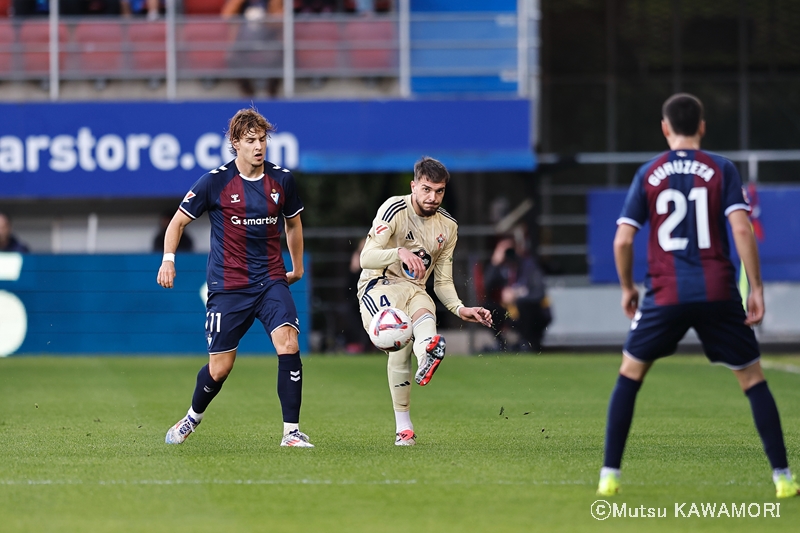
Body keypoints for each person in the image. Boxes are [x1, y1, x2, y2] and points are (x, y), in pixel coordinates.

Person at [597, 93, 799, 498]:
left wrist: (627, 288)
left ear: (665, 128)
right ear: (702, 127)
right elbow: (741, 229)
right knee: (753, 379)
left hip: (664, 293)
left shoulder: (649, 172)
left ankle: (609, 476)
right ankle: (783, 477)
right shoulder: (722, 168)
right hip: (717, 291)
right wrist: (756, 288)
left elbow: (623, 240)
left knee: (630, 375)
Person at [157, 107, 313, 448]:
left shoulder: (282, 180)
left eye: (263, 140)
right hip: (228, 286)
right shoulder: (215, 182)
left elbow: (293, 224)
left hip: (271, 279)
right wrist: (168, 260)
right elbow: (178, 222)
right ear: (235, 143)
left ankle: (291, 432)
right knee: (220, 368)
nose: (259, 146)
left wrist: (298, 267)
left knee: (289, 344)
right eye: (251, 140)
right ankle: (192, 417)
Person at [357, 156, 493, 446]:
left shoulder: (448, 226)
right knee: (398, 333)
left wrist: (460, 308)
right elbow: (365, 258)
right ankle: (419, 358)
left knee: (425, 314)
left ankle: (423, 365)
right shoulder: (394, 208)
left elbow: (442, 282)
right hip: (380, 284)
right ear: (413, 186)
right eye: (427, 189)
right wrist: (398, 253)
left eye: (439, 191)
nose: (433, 197)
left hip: (416, 289)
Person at [483, 236, 551, 352]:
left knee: (523, 305)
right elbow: (486, 285)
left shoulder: (529, 265)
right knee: (488, 308)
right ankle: (501, 343)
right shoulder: (503, 268)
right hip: (512, 311)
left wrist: (517, 295)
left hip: (534, 313)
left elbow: (539, 293)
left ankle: (528, 343)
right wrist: (495, 262)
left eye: (512, 249)